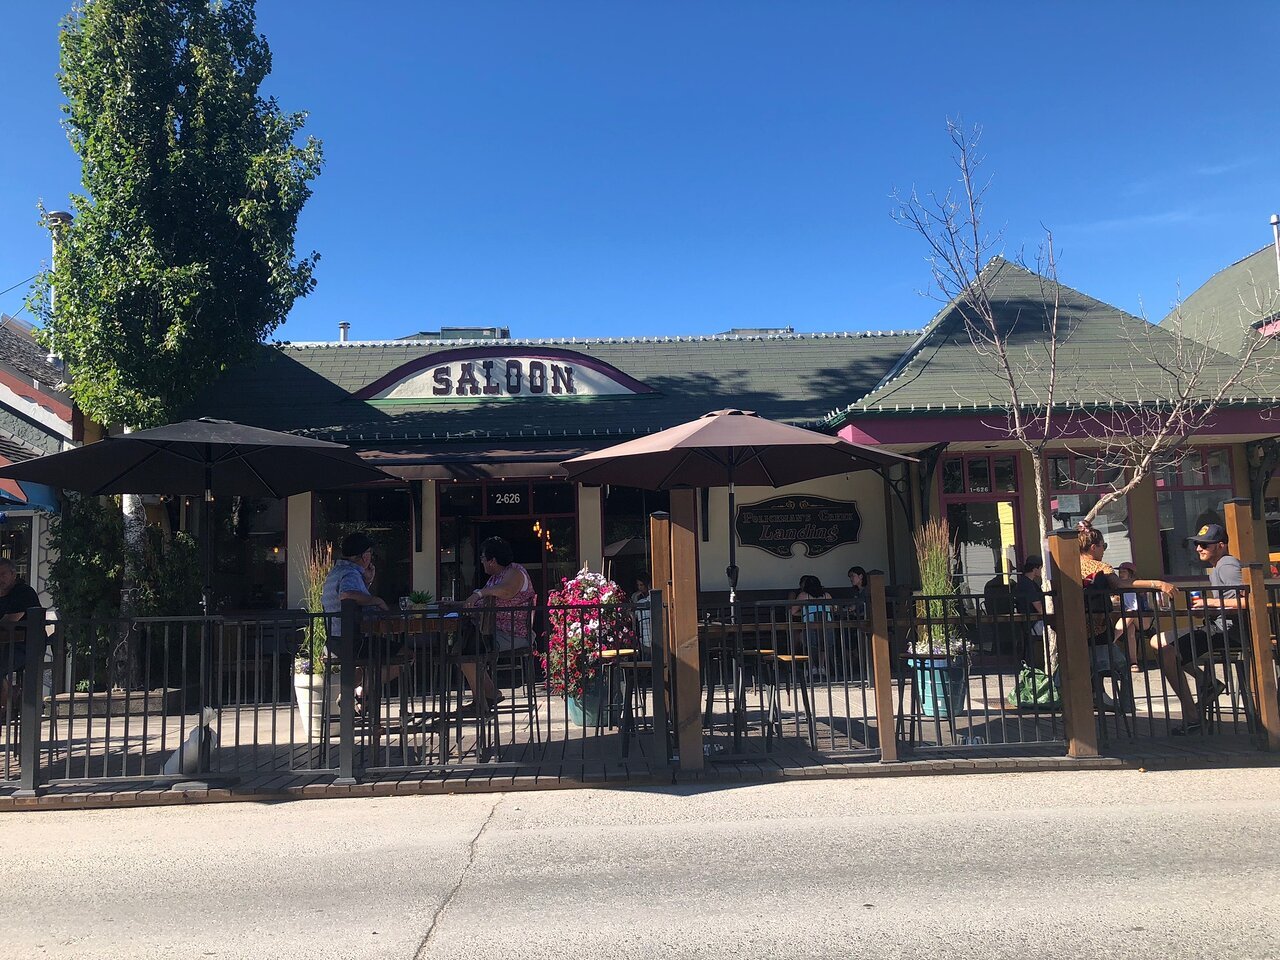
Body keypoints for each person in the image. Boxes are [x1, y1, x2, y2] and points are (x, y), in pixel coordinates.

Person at [1151, 524, 1244, 735]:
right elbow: (1227, 603)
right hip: (1216, 626)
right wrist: (1208, 609)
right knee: (1158, 641)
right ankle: (1206, 683)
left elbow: (1246, 600)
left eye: (1204, 544)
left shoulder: (1227, 564)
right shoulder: (1218, 566)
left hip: (1228, 632)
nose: (1198, 548)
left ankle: (1193, 716)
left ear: (1220, 546)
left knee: (1166, 652)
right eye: (1197, 544)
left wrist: (1210, 604)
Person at [1079, 528, 1176, 700]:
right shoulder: (1101, 567)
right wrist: (1156, 583)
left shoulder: (1070, 564)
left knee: (1084, 663)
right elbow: (1119, 584)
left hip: (1075, 623)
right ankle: (1122, 702)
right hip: (1098, 624)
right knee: (1120, 664)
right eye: (1103, 546)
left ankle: (1094, 694)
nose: (1104, 550)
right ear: (1093, 547)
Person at [461, 536, 537, 713]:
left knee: (469, 651)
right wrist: (458, 604)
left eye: (482, 558)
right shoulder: (494, 579)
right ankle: (489, 694)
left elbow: (507, 591)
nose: (481, 562)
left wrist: (479, 593)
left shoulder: (515, 571)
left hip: (515, 635)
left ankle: (482, 702)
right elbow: (479, 604)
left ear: (492, 560)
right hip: (493, 632)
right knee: (462, 648)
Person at [320, 533, 391, 715]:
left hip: (336, 641)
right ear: (365, 555)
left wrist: (367, 582)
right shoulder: (350, 573)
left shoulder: (336, 572)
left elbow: (351, 599)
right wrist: (377, 600)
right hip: (352, 641)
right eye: (370, 554)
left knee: (366, 665)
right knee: (406, 656)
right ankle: (361, 694)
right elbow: (347, 595)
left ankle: (352, 693)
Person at [0, 558, 41, 714]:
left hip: (26, 647)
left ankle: (7, 700)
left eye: (3, 574)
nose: (0, 579)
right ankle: (10, 692)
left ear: (13, 574)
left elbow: (10, 620)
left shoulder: (23, 592)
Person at [790, 574, 834, 679]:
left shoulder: (803, 595)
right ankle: (822, 666)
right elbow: (833, 609)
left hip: (810, 624)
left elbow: (793, 611)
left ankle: (813, 666)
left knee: (810, 645)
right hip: (825, 623)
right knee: (823, 645)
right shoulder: (826, 595)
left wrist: (805, 613)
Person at [1012, 555, 1046, 662]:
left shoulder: (1025, 582)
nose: (1042, 571)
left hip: (1029, 623)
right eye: (1041, 568)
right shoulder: (1028, 585)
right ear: (1035, 569)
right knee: (1061, 626)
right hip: (1033, 623)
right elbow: (1039, 608)